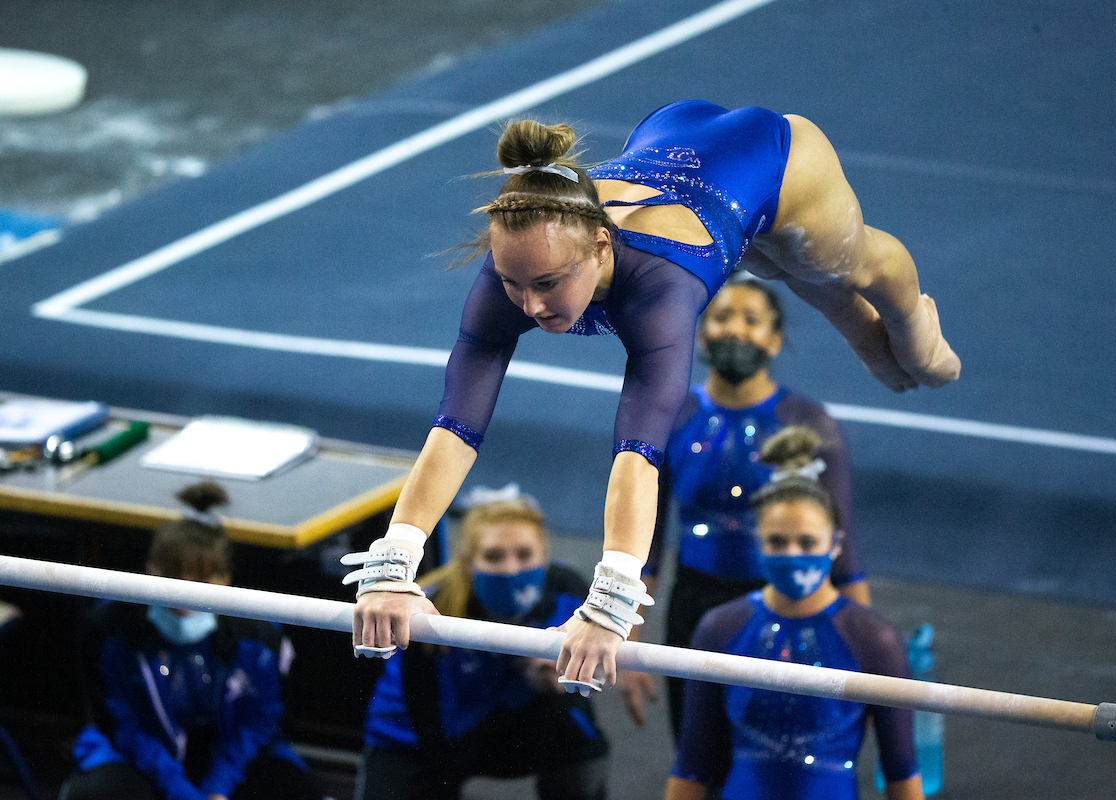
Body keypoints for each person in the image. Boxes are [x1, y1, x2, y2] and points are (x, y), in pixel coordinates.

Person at [348, 99, 960, 693]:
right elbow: (455, 426)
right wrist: (396, 560)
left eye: (548, 284)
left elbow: (638, 452)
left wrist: (610, 601)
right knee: (792, 272)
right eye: (513, 283)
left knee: (864, 294)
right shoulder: (521, 254)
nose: (529, 306)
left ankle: (922, 332)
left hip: (774, 159)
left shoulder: (659, 288)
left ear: (600, 246)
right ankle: (848, 307)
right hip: (667, 135)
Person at [626, 273, 868, 732]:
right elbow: (646, 545)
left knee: (773, 746)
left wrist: (865, 651)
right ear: (699, 331)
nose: (735, 330)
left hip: (786, 601)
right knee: (698, 750)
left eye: (751, 320)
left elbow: (845, 549)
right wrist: (628, 636)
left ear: (774, 341)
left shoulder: (809, 422)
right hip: (694, 605)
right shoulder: (673, 416)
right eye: (722, 317)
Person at [665, 425, 922, 800]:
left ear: (835, 543)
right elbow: (691, 769)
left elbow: (902, 776)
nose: (792, 554)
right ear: (757, 541)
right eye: (777, 541)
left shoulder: (872, 639)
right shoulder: (720, 629)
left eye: (807, 542)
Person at [61, 482, 322, 800]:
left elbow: (259, 722)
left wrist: (217, 788)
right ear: (151, 569)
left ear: (225, 579)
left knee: (294, 790)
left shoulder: (260, 640)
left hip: (230, 760)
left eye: (200, 579)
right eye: (172, 574)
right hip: (142, 759)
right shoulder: (112, 632)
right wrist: (179, 791)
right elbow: (125, 726)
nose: (184, 592)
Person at [356, 492, 609, 800]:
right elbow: (437, 736)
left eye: (525, 554)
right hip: (415, 739)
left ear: (545, 557)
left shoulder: (569, 595)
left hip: (512, 721)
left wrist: (552, 682)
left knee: (576, 725)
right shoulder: (430, 614)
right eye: (493, 556)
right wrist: (520, 686)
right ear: (468, 563)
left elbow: (588, 675)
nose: (510, 569)